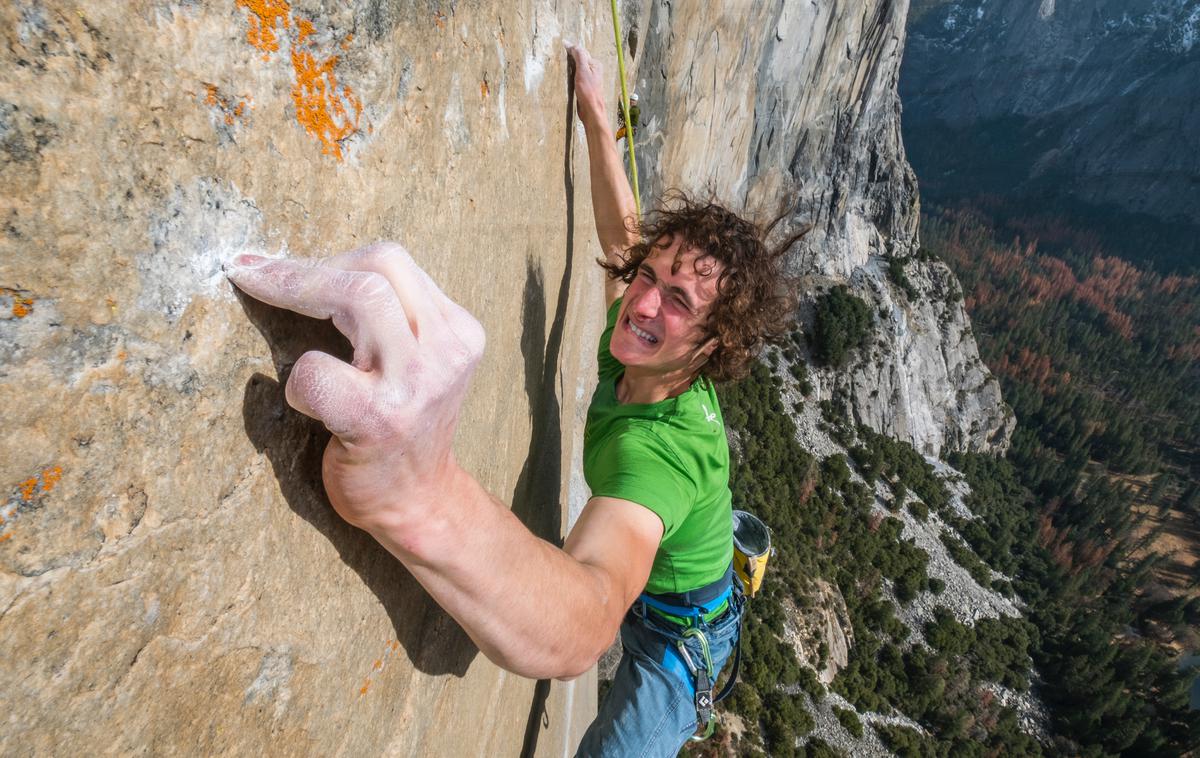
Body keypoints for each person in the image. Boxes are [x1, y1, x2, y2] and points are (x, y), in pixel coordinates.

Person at [225, 43, 799, 757]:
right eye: (649, 276)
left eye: (677, 300)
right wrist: (596, 120)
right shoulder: (654, 347)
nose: (642, 302)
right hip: (680, 578)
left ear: (713, 347)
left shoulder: (654, 456)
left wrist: (420, 494)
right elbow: (625, 234)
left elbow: (588, 625)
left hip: (679, 642)